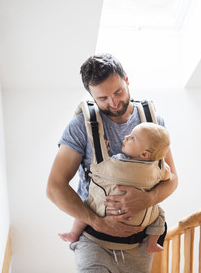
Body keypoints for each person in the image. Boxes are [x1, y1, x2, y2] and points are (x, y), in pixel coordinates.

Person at [47, 53, 178, 273]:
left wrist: (148, 199)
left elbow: (172, 179)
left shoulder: (153, 123)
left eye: (118, 92)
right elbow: (54, 187)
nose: (114, 103)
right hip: (94, 240)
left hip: (139, 244)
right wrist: (98, 222)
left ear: (127, 80)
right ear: (91, 96)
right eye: (103, 98)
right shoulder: (80, 127)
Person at [59, 122, 172, 254]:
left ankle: (73, 233)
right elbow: (168, 177)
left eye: (132, 138)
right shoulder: (157, 169)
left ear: (145, 154)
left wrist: (103, 152)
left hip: (106, 211)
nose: (125, 137)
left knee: (87, 204)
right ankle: (152, 243)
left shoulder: (119, 160)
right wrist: (165, 171)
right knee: (159, 214)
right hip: (139, 220)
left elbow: (105, 168)